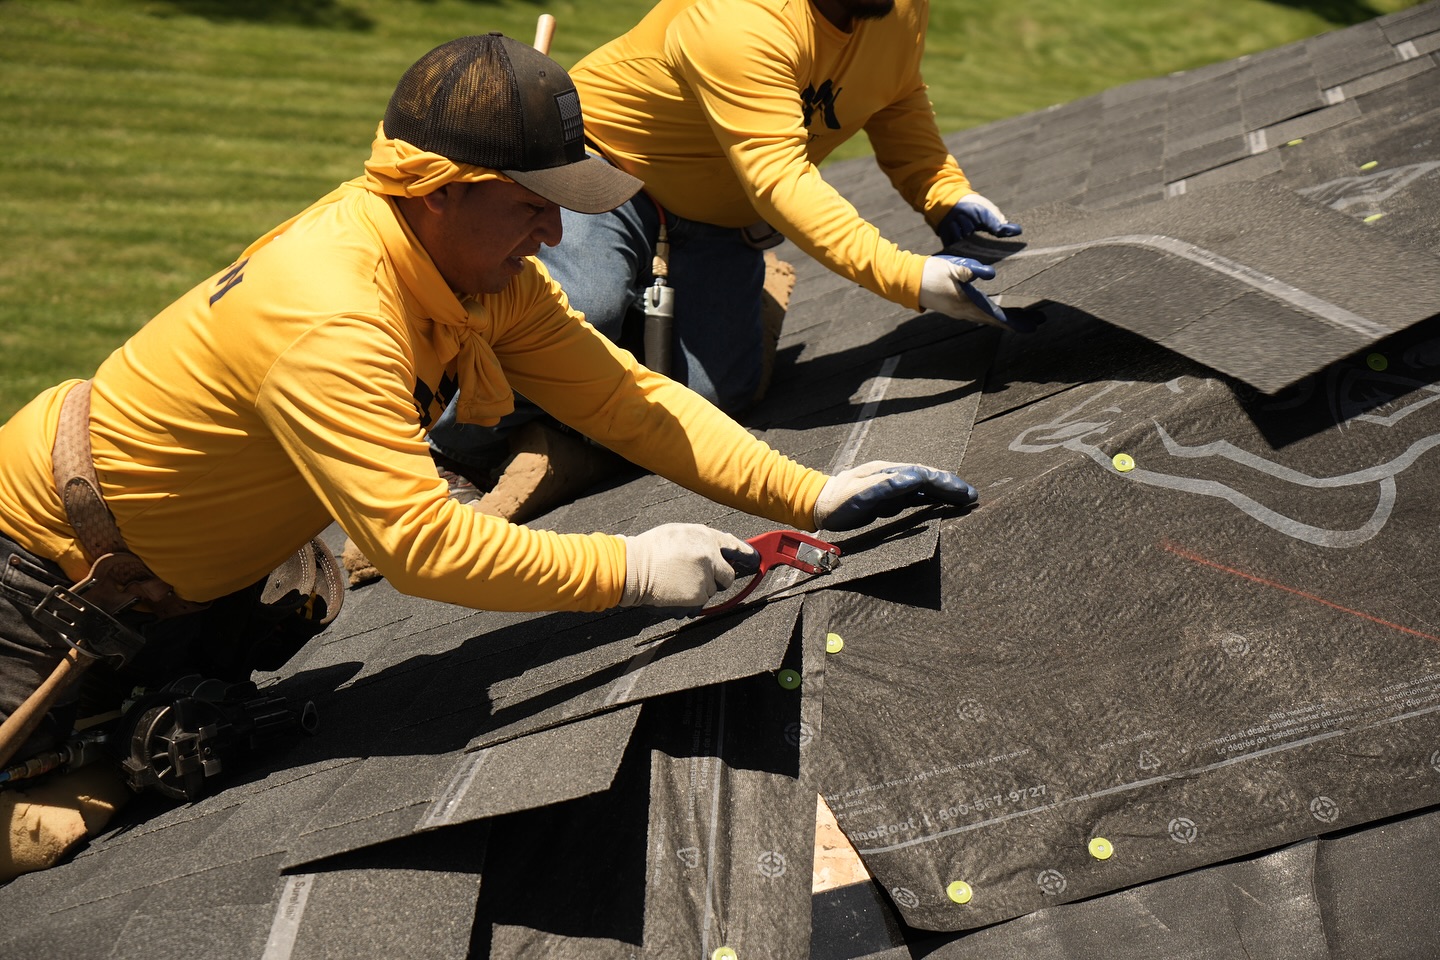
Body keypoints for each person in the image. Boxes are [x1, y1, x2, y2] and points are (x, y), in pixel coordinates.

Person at [0, 33, 979, 880]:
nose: (558, 232)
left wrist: (812, 491)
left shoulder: (479, 276)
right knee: (35, 844)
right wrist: (635, 568)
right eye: (533, 205)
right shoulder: (332, 313)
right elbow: (425, 552)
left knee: (263, 647)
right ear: (440, 194)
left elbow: (626, 398)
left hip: (173, 584)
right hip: (34, 579)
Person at [421, 0, 1027, 524]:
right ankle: (459, 449)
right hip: (607, 175)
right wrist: (913, 279)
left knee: (719, 395)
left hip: (717, 218)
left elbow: (895, 97)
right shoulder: (738, 19)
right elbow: (780, 181)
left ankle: (582, 403)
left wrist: (945, 195)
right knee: (580, 308)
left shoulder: (896, 8)